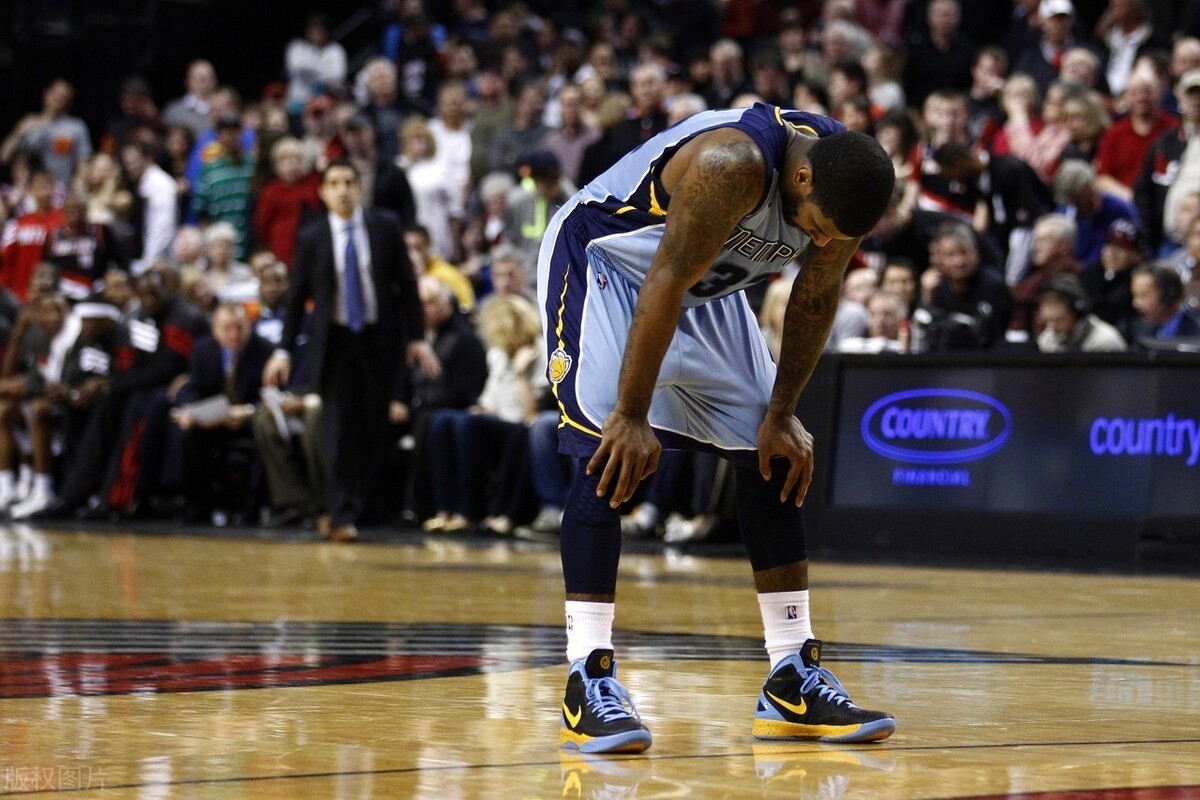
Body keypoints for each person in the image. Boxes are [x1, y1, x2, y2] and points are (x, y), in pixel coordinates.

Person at [536, 103, 897, 754]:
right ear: (802, 179)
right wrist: (632, 414)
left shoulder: (848, 178)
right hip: (609, 263)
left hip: (703, 282)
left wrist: (782, 412)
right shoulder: (732, 164)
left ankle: (792, 675)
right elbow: (663, 280)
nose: (822, 244)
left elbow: (816, 295)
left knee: (773, 453)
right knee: (607, 450)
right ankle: (587, 677)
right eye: (818, 230)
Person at [263, 161, 436, 544]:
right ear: (323, 192)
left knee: (372, 428)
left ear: (359, 188)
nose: (342, 190)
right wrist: (283, 350)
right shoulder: (312, 236)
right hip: (335, 342)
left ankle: (361, 507)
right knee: (337, 429)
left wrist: (417, 337)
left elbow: (406, 285)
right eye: (334, 183)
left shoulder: (385, 226)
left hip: (379, 340)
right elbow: (296, 299)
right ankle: (341, 513)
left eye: (349, 182)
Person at [1035, 274, 1128, 352]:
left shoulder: (1104, 341)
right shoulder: (1047, 340)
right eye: (1046, 320)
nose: (1052, 327)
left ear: (1078, 313)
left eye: (1059, 320)